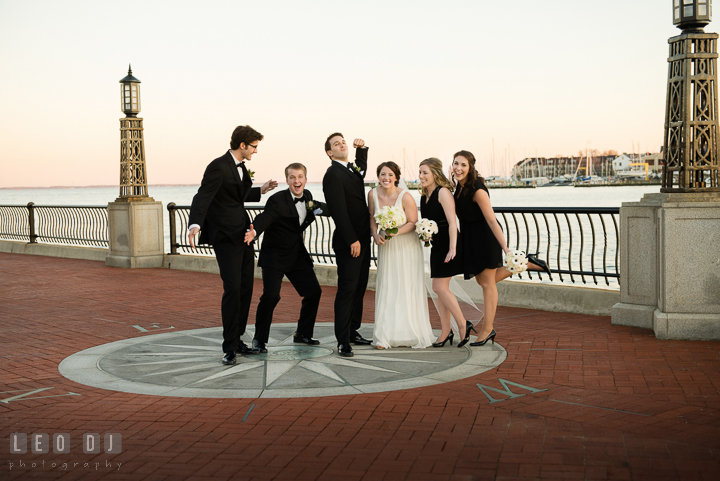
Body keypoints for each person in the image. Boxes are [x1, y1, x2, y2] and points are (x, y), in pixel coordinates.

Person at [187, 125, 278, 365]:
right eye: (254, 147)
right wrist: (194, 223)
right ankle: (228, 347)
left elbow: (236, 194)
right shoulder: (218, 166)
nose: (256, 151)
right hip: (225, 238)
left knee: (246, 288)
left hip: (244, 235)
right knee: (233, 289)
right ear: (242, 145)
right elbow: (203, 196)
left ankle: (237, 340)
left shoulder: (240, 167)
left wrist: (261, 190)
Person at [450, 150, 551, 347]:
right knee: (482, 279)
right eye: (456, 164)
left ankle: (488, 329)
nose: (458, 168)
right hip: (471, 238)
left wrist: (505, 247)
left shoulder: (477, 190)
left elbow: (491, 219)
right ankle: (526, 264)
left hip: (485, 238)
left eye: (463, 165)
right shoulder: (459, 187)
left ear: (470, 167)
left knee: (487, 283)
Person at [244, 163, 327, 352]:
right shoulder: (277, 200)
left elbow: (320, 208)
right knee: (271, 296)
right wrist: (254, 231)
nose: (296, 181)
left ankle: (303, 334)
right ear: (287, 180)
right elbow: (265, 218)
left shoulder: (308, 197)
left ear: (305, 179)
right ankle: (259, 339)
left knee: (314, 292)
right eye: (292, 177)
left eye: (300, 177)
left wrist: (348, 216)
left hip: (296, 255)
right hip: (274, 256)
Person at [368, 162, 435, 349]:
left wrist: (394, 232)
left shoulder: (405, 196)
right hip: (386, 246)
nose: (386, 178)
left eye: (390, 174)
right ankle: (385, 336)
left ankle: (409, 333)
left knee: (405, 286)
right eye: (382, 174)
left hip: (406, 245)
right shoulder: (372, 194)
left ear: (396, 177)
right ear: (378, 176)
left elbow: (413, 222)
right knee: (388, 286)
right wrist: (375, 234)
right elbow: (372, 218)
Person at [322, 133, 373, 357]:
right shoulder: (333, 174)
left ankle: (353, 331)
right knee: (347, 290)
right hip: (348, 241)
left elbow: (361, 171)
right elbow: (338, 211)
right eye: (336, 144)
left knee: (360, 286)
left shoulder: (350, 169)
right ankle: (343, 340)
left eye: (343, 141)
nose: (342, 145)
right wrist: (352, 239)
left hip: (363, 239)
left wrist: (362, 150)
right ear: (329, 153)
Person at [418, 158, 470, 348]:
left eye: (425, 173)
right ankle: (445, 331)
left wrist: (453, 248)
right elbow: (429, 222)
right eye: (420, 172)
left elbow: (451, 222)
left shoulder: (443, 192)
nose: (421, 176)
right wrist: (425, 235)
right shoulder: (424, 195)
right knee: (438, 289)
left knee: (440, 287)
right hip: (436, 245)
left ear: (435, 173)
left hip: (449, 243)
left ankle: (463, 324)